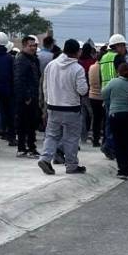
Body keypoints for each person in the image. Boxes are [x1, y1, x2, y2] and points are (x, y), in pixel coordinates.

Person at [37, 39, 89, 175]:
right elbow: (82, 90)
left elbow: (45, 86)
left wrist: (47, 104)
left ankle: (45, 158)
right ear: (77, 52)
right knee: (71, 138)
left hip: (53, 106)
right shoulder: (77, 68)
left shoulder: (51, 65)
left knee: (51, 135)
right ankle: (71, 165)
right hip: (71, 108)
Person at [102, 62, 128, 178]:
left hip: (116, 115)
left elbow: (104, 94)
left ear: (118, 72)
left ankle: (122, 169)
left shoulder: (113, 82)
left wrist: (110, 103)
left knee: (119, 143)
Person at [13, 35, 43, 158]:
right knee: (24, 123)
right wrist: (26, 97)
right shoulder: (21, 60)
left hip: (34, 96)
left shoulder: (34, 59)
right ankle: (23, 148)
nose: (33, 48)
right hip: (25, 98)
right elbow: (19, 80)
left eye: (35, 45)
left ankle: (31, 147)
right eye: (31, 46)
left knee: (31, 123)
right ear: (24, 46)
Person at [98, 34, 127, 158]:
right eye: (123, 45)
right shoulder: (118, 58)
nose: (124, 48)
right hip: (117, 93)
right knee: (115, 122)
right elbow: (124, 75)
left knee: (108, 121)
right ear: (117, 46)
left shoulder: (103, 57)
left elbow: (100, 76)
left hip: (106, 92)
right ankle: (110, 147)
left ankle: (106, 144)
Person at [86, 45, 105, 147]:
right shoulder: (104, 68)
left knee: (96, 119)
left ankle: (95, 139)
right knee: (103, 119)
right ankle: (103, 140)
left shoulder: (91, 67)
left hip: (92, 96)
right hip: (101, 96)